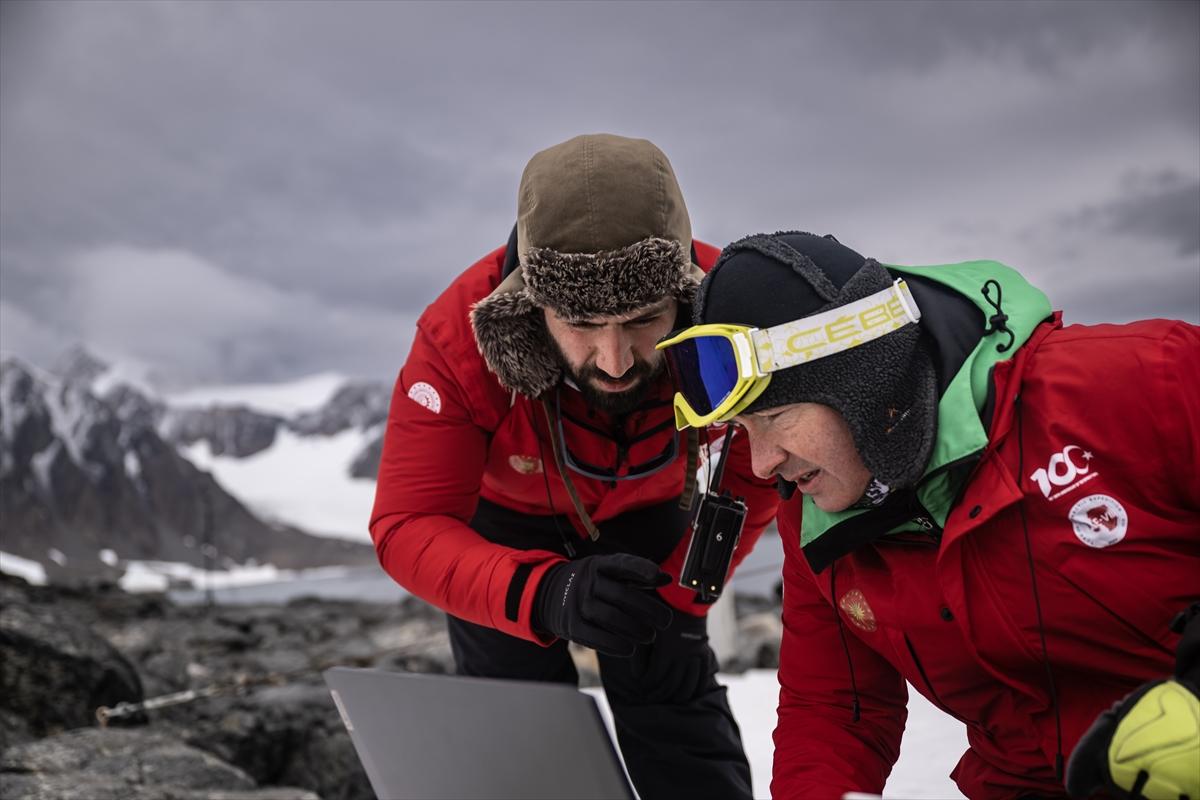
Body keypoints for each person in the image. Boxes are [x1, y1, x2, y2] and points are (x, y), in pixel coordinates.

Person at [656, 230, 1199, 800]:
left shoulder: (1137, 382)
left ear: (860, 383)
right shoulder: (816, 521)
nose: (763, 464)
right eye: (744, 430)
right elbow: (835, 710)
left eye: (777, 416)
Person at [369, 134, 779, 799]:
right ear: (531, 308)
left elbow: (756, 464)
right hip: (504, 527)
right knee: (523, 721)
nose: (614, 361)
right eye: (581, 324)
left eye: (644, 320)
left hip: (651, 513)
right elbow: (407, 524)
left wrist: (689, 589)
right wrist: (540, 594)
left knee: (673, 694)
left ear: (683, 296)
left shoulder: (731, 310)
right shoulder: (458, 339)